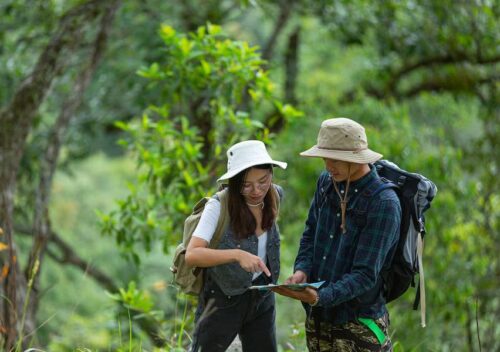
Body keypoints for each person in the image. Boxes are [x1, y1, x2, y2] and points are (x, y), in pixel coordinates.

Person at [272, 118, 401, 352]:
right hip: (319, 321)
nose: (328, 166)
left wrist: (321, 296)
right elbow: (310, 233)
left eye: (336, 159)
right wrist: (302, 270)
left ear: (356, 157)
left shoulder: (383, 203)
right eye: (325, 158)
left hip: (359, 324)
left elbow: (364, 274)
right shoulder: (326, 183)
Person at [186, 140, 286, 352]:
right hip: (222, 298)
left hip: (262, 295)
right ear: (234, 181)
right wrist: (237, 255)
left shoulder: (275, 195)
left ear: (271, 174)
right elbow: (193, 254)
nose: (256, 190)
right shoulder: (218, 206)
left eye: (263, 181)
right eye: (246, 185)